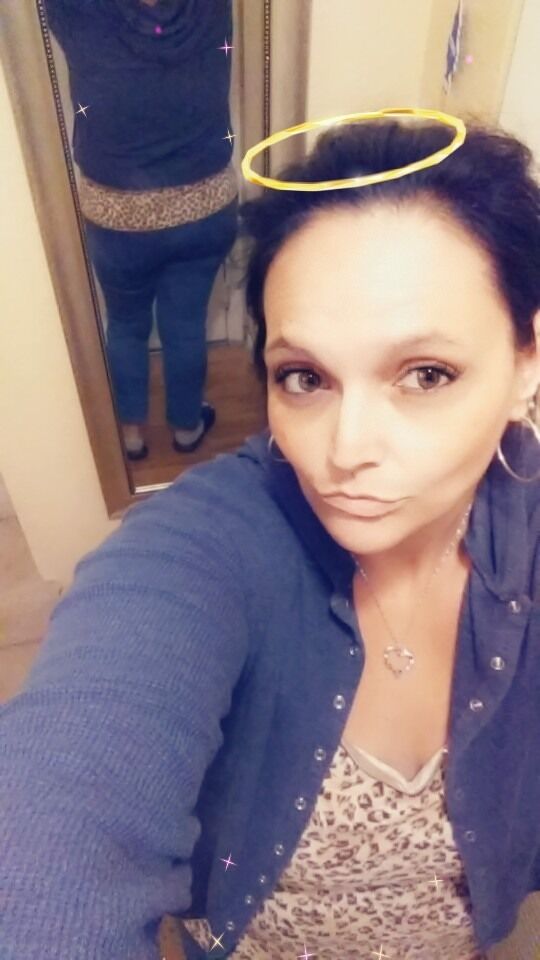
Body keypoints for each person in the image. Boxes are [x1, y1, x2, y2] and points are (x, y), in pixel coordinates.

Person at [1, 117, 539, 960]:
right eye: (305, 377)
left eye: (425, 374)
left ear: (527, 362)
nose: (345, 449)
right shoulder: (202, 550)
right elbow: (59, 817)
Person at [43, 0, 239, 460]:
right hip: (204, 205)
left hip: (118, 214)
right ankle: (187, 428)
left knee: (127, 325)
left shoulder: (77, 10)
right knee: (185, 323)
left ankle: (132, 436)